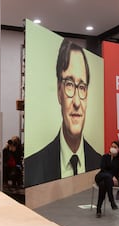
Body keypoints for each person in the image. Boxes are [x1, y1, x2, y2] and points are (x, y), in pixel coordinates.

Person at [24, 39, 101, 186]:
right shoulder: (33, 168)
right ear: (59, 91)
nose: (77, 102)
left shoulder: (98, 162)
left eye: (82, 87)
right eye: (70, 85)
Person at [94, 141, 119, 218]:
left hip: (109, 181)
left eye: (115, 147)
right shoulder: (105, 156)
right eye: (112, 146)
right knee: (107, 178)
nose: (113, 148)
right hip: (100, 176)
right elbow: (103, 169)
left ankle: (98, 208)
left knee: (103, 185)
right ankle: (111, 201)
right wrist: (112, 176)